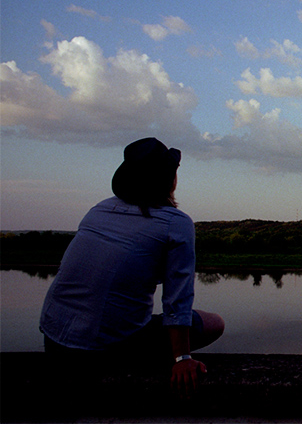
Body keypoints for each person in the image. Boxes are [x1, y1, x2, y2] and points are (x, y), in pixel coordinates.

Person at [39, 137, 224, 398]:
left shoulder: (99, 209)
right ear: (169, 180)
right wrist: (182, 358)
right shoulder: (176, 223)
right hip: (104, 347)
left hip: (54, 340)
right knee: (214, 322)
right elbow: (177, 297)